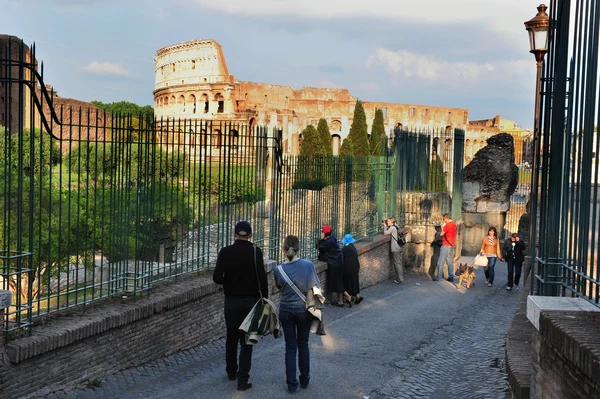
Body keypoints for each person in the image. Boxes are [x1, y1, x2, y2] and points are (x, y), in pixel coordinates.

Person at [212, 220, 268, 392]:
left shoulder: (225, 252)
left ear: (235, 234)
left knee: (231, 336)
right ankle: (243, 379)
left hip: (231, 301)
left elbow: (216, 277)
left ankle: (231, 371)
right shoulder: (255, 252)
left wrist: (228, 282)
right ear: (250, 235)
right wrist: (264, 299)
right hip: (251, 301)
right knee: (247, 340)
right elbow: (262, 278)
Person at [274, 235, 321, 393]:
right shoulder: (308, 265)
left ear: (284, 249)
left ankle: (291, 384)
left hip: (286, 310)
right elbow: (316, 287)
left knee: (290, 347)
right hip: (303, 310)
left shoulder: (278, 269)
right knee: (303, 345)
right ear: (298, 248)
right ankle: (305, 379)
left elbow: (279, 287)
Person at [318, 225, 350, 307]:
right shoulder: (333, 239)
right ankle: (344, 298)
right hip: (338, 262)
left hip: (333, 264)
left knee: (338, 282)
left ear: (325, 233)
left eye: (322, 232)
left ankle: (343, 300)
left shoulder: (327, 242)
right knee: (339, 281)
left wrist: (321, 239)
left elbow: (318, 247)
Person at [341, 233, 363, 306]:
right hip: (355, 267)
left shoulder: (344, 249)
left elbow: (342, 258)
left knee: (347, 282)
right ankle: (357, 296)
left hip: (348, 268)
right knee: (354, 281)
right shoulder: (353, 248)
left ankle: (349, 298)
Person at [435, 213, 457, 283]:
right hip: (451, 245)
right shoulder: (454, 224)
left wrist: (440, 230)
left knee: (440, 262)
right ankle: (451, 276)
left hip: (445, 245)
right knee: (449, 262)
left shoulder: (447, 225)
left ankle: (439, 277)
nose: (443, 220)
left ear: (446, 218)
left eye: (443, 219)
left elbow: (442, 234)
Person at [383, 218, 405, 284]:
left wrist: (384, 226)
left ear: (392, 222)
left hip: (396, 248)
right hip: (400, 247)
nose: (387, 222)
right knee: (399, 263)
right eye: (387, 221)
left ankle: (400, 279)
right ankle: (400, 278)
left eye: (388, 221)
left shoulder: (392, 228)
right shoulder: (396, 226)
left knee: (397, 263)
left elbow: (385, 233)